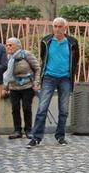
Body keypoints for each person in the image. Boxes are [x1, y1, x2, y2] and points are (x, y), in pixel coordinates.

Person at [26, 17, 80, 148]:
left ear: (65, 28)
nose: (57, 29)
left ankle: (60, 136)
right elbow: (43, 57)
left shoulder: (72, 42)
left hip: (65, 78)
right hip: (49, 77)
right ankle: (36, 137)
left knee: (64, 110)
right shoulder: (46, 40)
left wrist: (71, 74)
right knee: (42, 108)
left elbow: (75, 60)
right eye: (55, 26)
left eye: (60, 26)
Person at [3, 37, 40, 139]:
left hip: (27, 86)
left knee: (26, 108)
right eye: (7, 45)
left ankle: (28, 130)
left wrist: (36, 82)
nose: (8, 47)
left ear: (18, 46)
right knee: (15, 109)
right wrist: (4, 88)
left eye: (11, 45)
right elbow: (5, 74)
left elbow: (37, 69)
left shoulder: (26, 54)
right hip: (13, 87)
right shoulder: (7, 58)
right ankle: (17, 130)